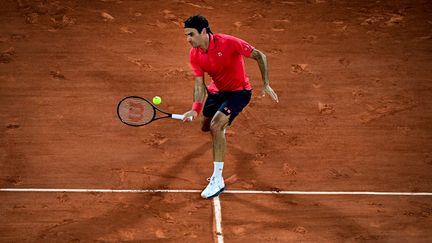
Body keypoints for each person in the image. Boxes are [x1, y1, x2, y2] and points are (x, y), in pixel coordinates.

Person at [182, 15, 278, 199]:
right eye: (186, 35)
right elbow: (199, 84)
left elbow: (259, 55)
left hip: (238, 92)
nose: (188, 39)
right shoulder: (194, 54)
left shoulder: (228, 42)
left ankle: (217, 179)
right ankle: (219, 129)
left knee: (216, 126)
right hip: (216, 92)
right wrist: (195, 108)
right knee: (205, 126)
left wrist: (265, 83)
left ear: (203, 31)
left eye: (191, 34)